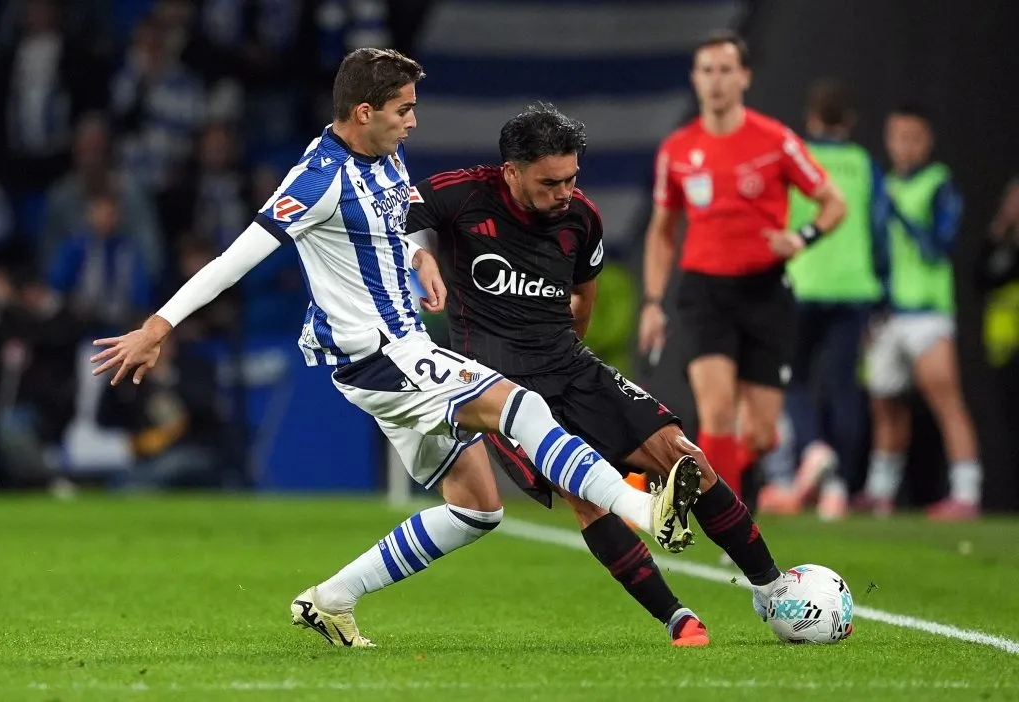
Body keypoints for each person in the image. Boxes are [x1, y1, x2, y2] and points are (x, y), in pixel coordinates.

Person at [89, 48, 693, 648]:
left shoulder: (386, 154)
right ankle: (647, 511)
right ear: (364, 111)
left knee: (477, 509)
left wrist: (419, 256)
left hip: (402, 347)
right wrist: (157, 327)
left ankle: (331, 599)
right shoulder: (318, 180)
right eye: (403, 109)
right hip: (379, 355)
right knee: (522, 406)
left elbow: (391, 224)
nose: (413, 121)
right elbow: (236, 257)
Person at [404, 103, 785, 647]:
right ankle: (677, 618)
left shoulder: (582, 218)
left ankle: (773, 590)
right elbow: (388, 217)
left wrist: (569, 351)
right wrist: (420, 255)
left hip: (568, 363)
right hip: (498, 387)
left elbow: (584, 295)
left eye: (571, 178)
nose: (565, 191)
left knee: (687, 458)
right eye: (550, 182)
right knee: (586, 495)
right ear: (511, 172)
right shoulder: (461, 193)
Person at [638, 31, 846, 500]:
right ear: (695, 78)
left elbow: (834, 203)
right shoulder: (677, 149)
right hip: (704, 294)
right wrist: (652, 302)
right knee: (716, 412)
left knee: (760, 434)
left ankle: (722, 493)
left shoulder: (776, 141)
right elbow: (661, 231)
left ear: (745, 77)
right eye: (707, 71)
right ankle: (725, 525)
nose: (716, 81)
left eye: (726, 70)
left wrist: (801, 237)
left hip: (765, 293)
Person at [758, 80, 882, 520]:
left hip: (805, 283)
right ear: (850, 120)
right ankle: (838, 487)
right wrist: (880, 284)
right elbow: (879, 226)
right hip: (854, 287)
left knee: (793, 379)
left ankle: (813, 449)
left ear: (811, 117)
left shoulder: (796, 156)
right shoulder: (864, 163)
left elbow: (774, 215)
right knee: (845, 386)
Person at [855, 105, 982, 520]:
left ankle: (966, 492)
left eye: (913, 138)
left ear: (927, 141)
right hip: (889, 316)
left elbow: (939, 247)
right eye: (898, 137)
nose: (905, 146)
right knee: (885, 407)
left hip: (927, 313)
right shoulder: (885, 187)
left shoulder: (938, 184)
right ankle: (880, 492)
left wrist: (900, 215)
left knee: (946, 400)